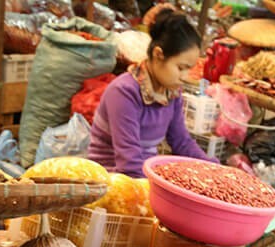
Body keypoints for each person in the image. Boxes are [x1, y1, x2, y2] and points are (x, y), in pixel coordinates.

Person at [87, 8, 216, 178]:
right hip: (111, 177)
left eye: (189, 69)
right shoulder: (124, 93)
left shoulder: (172, 93)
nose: (185, 77)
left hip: (144, 174)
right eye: (181, 68)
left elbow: (181, 142)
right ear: (158, 55)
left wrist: (213, 169)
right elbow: (129, 163)